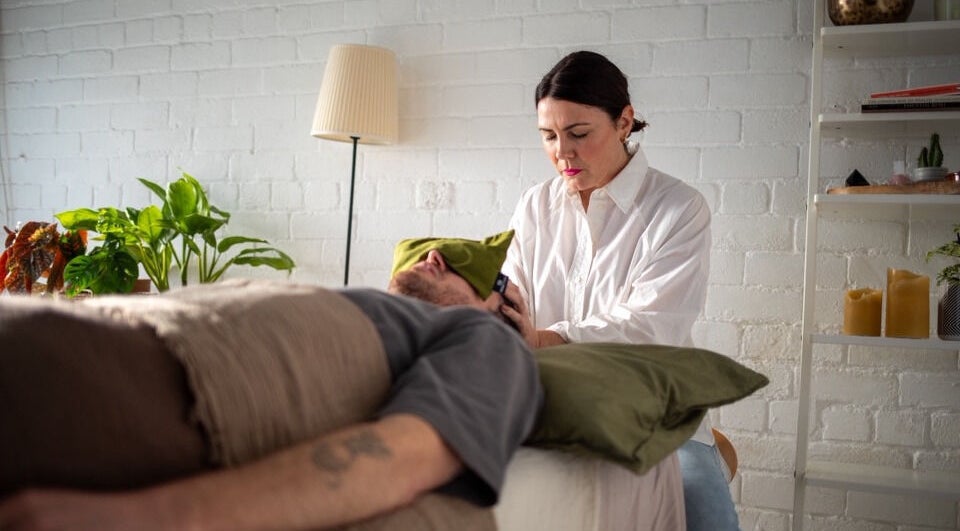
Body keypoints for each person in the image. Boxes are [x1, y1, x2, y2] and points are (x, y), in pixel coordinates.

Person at [0, 269, 541, 530]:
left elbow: (404, 456)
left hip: (123, 373)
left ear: (503, 309)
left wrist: (138, 520)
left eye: (478, 268)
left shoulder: (489, 340)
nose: (435, 255)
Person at [497, 50, 738, 530]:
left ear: (624, 121)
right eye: (549, 136)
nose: (562, 152)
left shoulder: (679, 209)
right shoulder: (533, 206)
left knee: (702, 514)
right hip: (552, 413)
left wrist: (543, 338)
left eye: (579, 134)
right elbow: (512, 298)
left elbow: (651, 327)